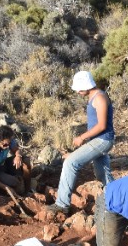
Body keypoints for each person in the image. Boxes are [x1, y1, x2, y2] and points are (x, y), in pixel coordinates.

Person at [48, 70, 114, 214]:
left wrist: (82, 137)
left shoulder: (100, 98)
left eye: (78, 87)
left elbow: (102, 125)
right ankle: (117, 198)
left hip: (103, 140)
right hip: (98, 140)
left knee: (71, 162)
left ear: (86, 85)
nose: (77, 91)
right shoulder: (94, 97)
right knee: (102, 173)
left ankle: (62, 204)